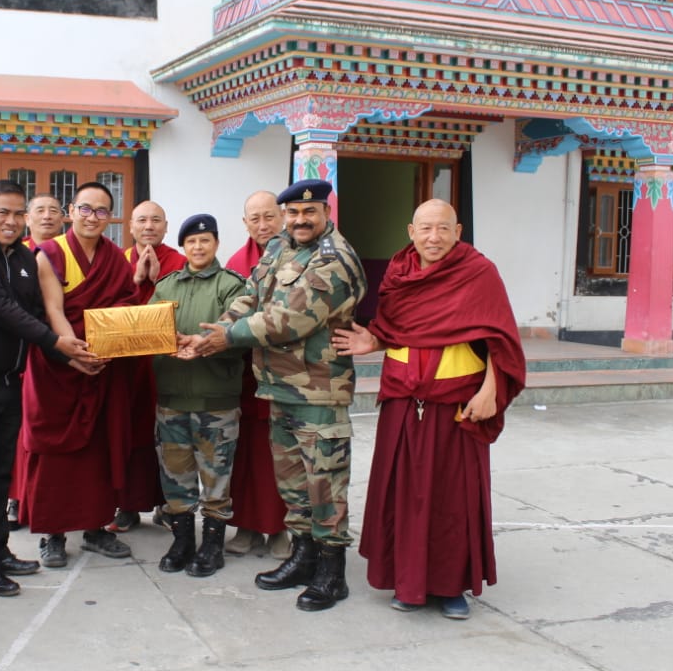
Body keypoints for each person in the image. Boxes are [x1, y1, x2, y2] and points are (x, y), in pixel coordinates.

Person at [333, 199, 525, 620]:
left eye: (443, 229)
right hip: (402, 402)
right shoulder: (399, 275)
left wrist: (491, 391)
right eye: (425, 229)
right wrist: (373, 341)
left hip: (457, 404)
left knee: (452, 499)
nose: (433, 237)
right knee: (401, 495)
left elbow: (500, 338)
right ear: (411, 231)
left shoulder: (477, 273)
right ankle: (406, 580)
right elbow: (396, 328)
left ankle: (450, 585)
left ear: (458, 231)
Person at [184, 179, 366, 612]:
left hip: (319, 391)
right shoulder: (278, 247)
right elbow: (252, 296)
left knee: (325, 484)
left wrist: (225, 338)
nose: (300, 220)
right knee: (294, 485)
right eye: (293, 213)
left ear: (326, 213)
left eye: (309, 213)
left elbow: (291, 320)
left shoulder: (335, 259)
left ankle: (331, 572)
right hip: (280, 388)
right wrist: (215, 328)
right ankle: (303, 558)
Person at [0, 181, 92, 596]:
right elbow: (1, 309)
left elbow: (36, 312)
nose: (11, 221)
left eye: (17, 214)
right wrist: (56, 343)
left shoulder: (22, 255)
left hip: (11, 378)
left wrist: (70, 355)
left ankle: (0, 550)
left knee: (1, 472)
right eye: (2, 213)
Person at [23, 181, 139, 567]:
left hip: (104, 368)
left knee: (99, 452)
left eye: (102, 211)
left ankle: (95, 530)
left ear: (110, 217)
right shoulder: (50, 253)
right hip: (60, 365)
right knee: (56, 453)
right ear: (71, 211)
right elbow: (53, 310)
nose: (92, 218)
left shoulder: (116, 259)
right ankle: (53, 536)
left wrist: (106, 352)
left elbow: (125, 306)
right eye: (85, 209)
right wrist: (76, 355)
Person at [151, 214, 245, 576]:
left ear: (217, 244)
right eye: (191, 241)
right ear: (183, 247)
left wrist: (207, 344)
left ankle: (212, 546)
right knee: (175, 477)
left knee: (216, 477)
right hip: (171, 397)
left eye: (206, 240)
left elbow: (239, 332)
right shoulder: (166, 286)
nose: (199, 247)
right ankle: (182, 542)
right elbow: (148, 329)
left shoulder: (232, 285)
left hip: (216, 400)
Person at [223, 190, 290, 559]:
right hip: (247, 375)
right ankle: (246, 527)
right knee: (245, 453)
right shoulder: (236, 261)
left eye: (269, 216)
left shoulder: (299, 255)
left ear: (281, 217)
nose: (263, 225)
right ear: (245, 223)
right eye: (255, 219)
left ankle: (279, 530)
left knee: (281, 453)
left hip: (287, 372)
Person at [110, 200, 185, 532]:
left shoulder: (180, 261)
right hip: (128, 367)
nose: (149, 226)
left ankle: (170, 505)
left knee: (172, 437)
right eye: (142, 220)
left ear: (166, 227)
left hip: (168, 365)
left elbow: (186, 308)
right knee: (130, 433)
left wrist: (159, 281)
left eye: (156, 220)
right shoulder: (116, 261)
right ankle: (126, 506)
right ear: (131, 226)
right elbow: (109, 310)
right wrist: (137, 279)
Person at [9, 192, 67, 529]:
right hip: (20, 350)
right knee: (18, 433)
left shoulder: (65, 253)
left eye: (54, 211)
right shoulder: (16, 254)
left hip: (56, 353)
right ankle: (16, 497)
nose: (47, 217)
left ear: (63, 219)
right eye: (39, 211)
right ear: (27, 218)